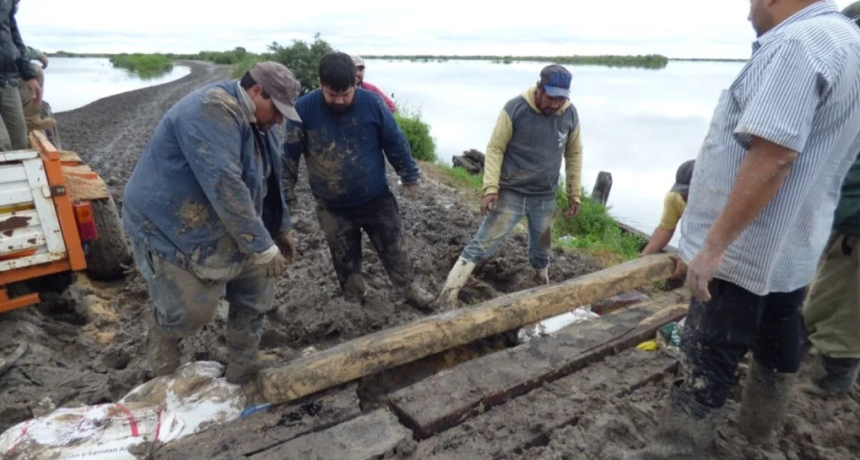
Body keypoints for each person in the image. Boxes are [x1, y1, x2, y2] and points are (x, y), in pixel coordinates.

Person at [625, 1, 860, 458]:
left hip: (746, 248)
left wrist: (713, 248)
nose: (748, 10)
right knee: (779, 336)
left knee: (708, 350)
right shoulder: (850, 43)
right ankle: (760, 431)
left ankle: (677, 448)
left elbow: (773, 156)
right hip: (795, 242)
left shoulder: (797, 44)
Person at [122, 62, 300, 384]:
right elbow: (224, 183)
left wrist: (281, 228)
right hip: (169, 223)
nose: (278, 120)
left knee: (258, 285)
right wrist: (260, 245)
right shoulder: (210, 109)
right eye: (277, 110)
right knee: (192, 311)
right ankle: (163, 330)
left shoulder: (262, 125)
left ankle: (243, 363)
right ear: (257, 91)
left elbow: (272, 182)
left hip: (223, 218)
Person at [284, 52, 433, 308]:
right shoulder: (302, 110)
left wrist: (408, 173)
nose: (339, 100)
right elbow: (288, 156)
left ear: (356, 82)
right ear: (320, 83)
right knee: (344, 257)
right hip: (332, 206)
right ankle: (354, 297)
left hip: (376, 198)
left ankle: (408, 288)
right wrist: (286, 194)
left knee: (395, 247)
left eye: (346, 93)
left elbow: (394, 140)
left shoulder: (373, 104)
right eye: (333, 95)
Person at [433, 64, 583, 310]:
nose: (556, 104)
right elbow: (495, 148)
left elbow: (574, 152)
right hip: (511, 194)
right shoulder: (515, 109)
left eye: (561, 99)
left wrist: (574, 192)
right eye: (551, 98)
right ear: (539, 88)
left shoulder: (570, 114)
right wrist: (490, 187)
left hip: (545, 198)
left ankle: (539, 285)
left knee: (542, 248)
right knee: (482, 243)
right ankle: (447, 296)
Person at [800, 0, 860, 397]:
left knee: (841, 306)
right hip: (837, 212)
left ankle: (834, 377)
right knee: (823, 291)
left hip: (853, 219)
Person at [0, 0, 40, 151]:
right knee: (2, 144)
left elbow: (14, 38)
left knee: (19, 142)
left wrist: (28, 74)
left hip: (7, 79)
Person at [640, 160, 694, 255]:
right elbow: (665, 229)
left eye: (687, 192)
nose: (683, 196)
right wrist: (644, 256)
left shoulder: (720, 204)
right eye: (682, 192)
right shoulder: (674, 197)